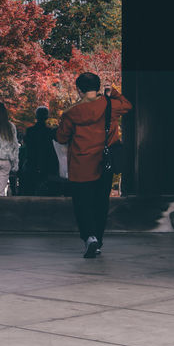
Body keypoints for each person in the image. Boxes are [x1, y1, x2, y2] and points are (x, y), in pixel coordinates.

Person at [55, 73, 131, 258]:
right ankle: (98, 239)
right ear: (97, 88)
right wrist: (112, 93)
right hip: (104, 162)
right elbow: (128, 106)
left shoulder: (72, 113)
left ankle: (90, 237)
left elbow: (61, 137)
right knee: (100, 202)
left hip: (81, 163)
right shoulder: (109, 105)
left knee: (83, 203)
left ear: (79, 89)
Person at [21, 107, 59, 196]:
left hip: (32, 162)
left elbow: (27, 145)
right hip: (46, 163)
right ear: (47, 117)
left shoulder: (30, 131)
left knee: (29, 190)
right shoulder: (49, 132)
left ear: (36, 116)